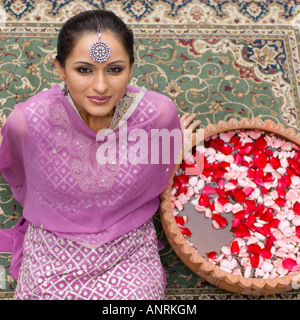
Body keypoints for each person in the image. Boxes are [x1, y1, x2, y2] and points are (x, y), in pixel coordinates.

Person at [0, 9, 200, 300]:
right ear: (60, 68)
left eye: (115, 69)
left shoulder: (156, 116)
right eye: (84, 70)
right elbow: (16, 167)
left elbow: (164, 164)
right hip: (53, 245)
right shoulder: (28, 122)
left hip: (127, 245)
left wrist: (174, 146)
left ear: (131, 67)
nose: (101, 87)